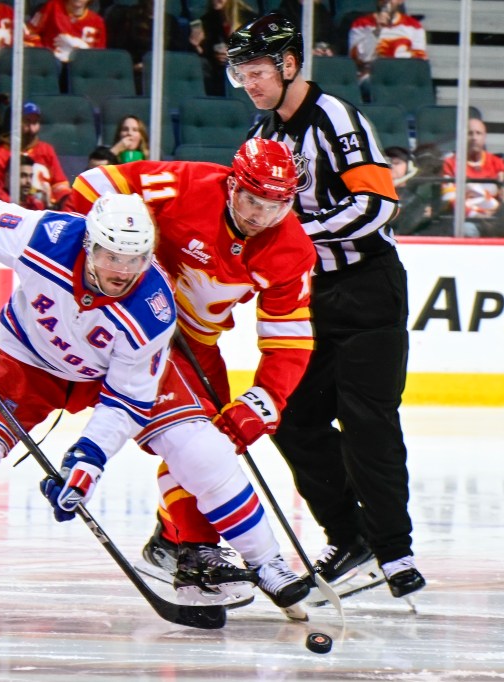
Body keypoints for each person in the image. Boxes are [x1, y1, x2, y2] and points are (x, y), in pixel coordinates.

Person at [0, 192, 311, 619]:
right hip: (27, 359)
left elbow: (126, 400)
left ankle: (268, 563)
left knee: (201, 449)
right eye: (110, 255)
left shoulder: (153, 309)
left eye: (134, 259)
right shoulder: (46, 236)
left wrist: (87, 461)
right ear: (89, 244)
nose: (121, 270)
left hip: (110, 376)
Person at [225, 13, 425, 599]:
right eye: (242, 73)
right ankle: (349, 534)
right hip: (314, 298)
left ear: (289, 65)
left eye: (258, 71)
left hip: (367, 290)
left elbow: (377, 205)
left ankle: (395, 552)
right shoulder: (264, 138)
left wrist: (299, 234)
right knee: (290, 416)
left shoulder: (336, 118)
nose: (251, 83)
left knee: (369, 423)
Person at [71, 138, 319, 609]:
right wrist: (92, 253)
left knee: (220, 441)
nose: (259, 216)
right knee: (194, 434)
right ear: (232, 185)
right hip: (130, 324)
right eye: (251, 200)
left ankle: (172, 537)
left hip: (196, 344)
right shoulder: (184, 185)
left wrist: (265, 401)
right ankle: (196, 553)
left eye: (276, 206)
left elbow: (288, 338)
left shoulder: (292, 249)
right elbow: (95, 184)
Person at [0, 102, 71, 208]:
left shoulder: (46, 150)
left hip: (46, 208)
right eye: (27, 121)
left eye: (35, 122)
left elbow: (60, 183)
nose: (31, 128)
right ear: (15, 123)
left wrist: (61, 202)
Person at [440, 117, 504, 237]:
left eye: (478, 133)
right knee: (466, 231)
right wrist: (477, 216)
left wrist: (496, 216)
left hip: (495, 218)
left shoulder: (497, 163)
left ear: (484, 137)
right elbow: (450, 199)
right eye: (470, 133)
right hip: (467, 220)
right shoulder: (450, 163)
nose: (474, 138)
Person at [347, 0, 427, 95]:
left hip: (403, 77)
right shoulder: (360, 24)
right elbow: (362, 59)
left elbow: (419, 61)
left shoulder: (414, 26)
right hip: (372, 77)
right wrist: (377, 29)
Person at [190, 0, 257, 96]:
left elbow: (257, 50)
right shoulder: (207, 21)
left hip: (243, 70)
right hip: (216, 73)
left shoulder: (249, 19)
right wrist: (196, 45)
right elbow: (203, 54)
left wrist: (233, 54)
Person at [27, 0, 106, 64]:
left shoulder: (97, 22)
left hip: (79, 68)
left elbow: (99, 55)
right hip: (51, 64)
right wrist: (45, 53)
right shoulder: (53, 6)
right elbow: (30, 32)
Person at [385, 145, 438, 236]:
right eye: (387, 163)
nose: (391, 166)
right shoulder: (371, 192)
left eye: (397, 163)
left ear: (409, 167)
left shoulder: (420, 194)